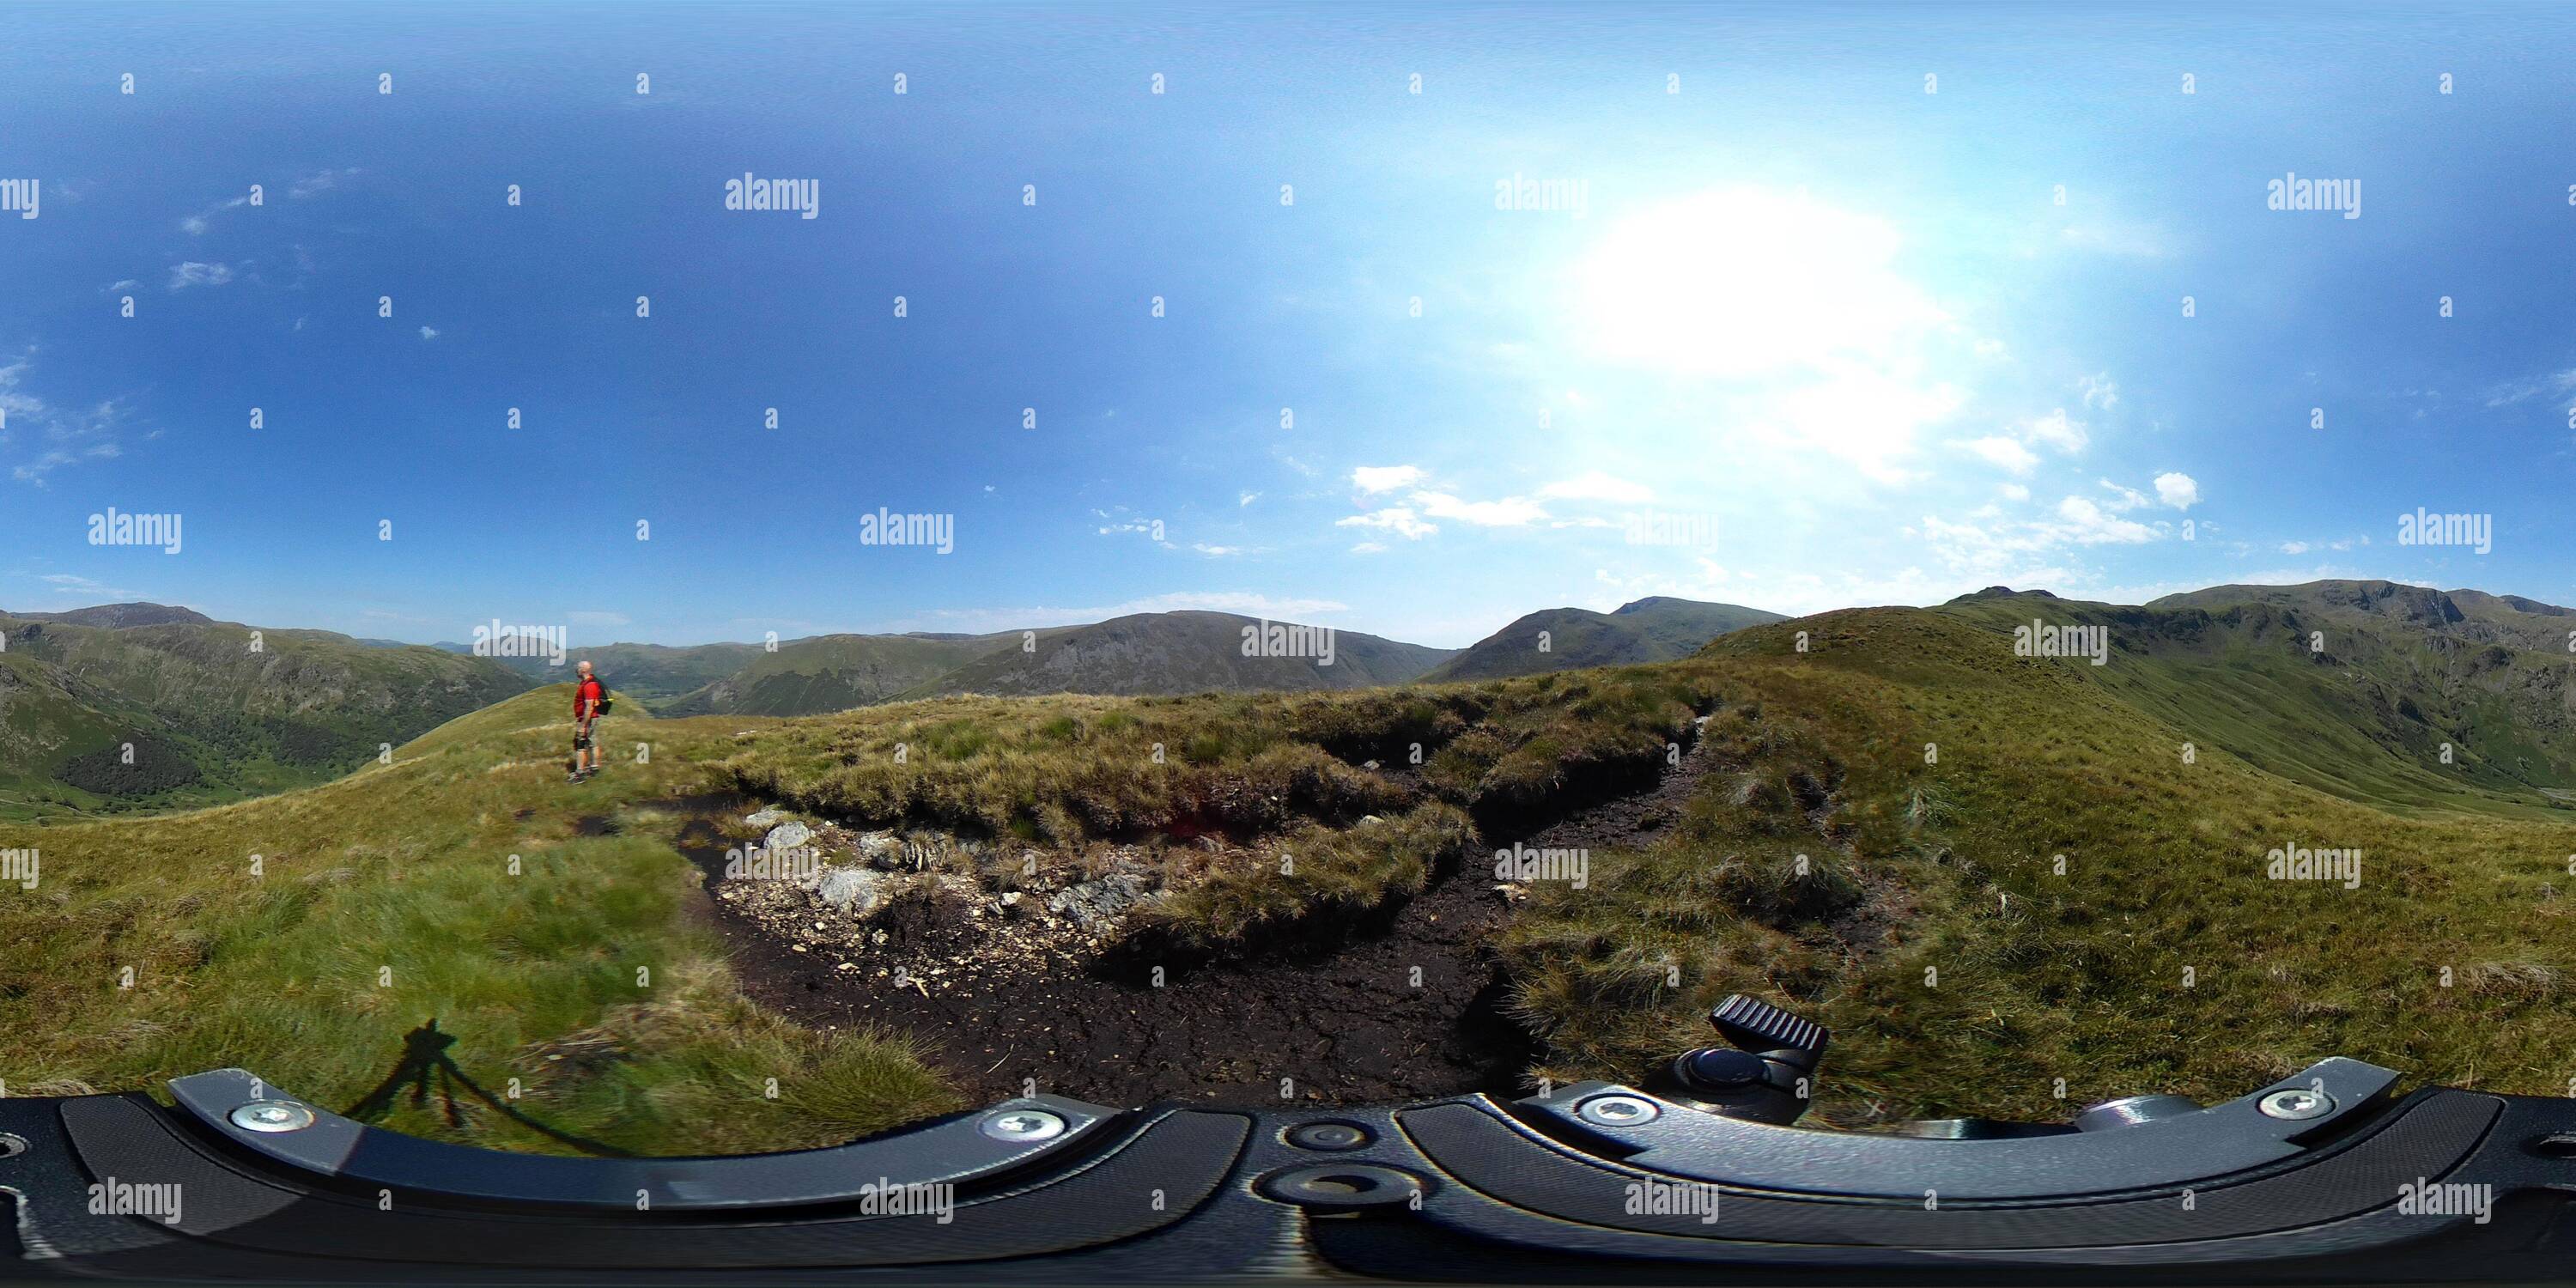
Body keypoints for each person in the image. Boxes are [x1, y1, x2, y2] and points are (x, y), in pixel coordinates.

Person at [569, 660, 606, 783]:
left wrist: (582, 725)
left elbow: (589, 707)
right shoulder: (589, 682)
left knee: (580, 744)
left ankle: (580, 774)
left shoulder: (589, 685)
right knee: (592, 742)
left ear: (583, 670)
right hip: (593, 717)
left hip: (588, 718)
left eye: (578, 668)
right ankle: (594, 768)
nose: (576, 670)